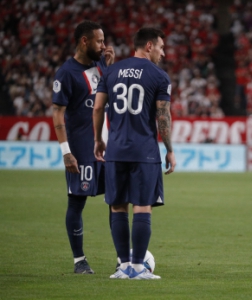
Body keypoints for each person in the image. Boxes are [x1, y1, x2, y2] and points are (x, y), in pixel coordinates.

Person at [93, 27, 176, 280]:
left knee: (118, 208)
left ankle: (122, 267)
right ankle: (139, 268)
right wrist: (170, 149)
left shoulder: (112, 71)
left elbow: (97, 109)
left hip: (116, 150)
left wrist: (98, 139)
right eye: (161, 47)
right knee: (142, 207)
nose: (163, 53)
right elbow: (163, 116)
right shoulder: (159, 77)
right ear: (149, 46)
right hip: (145, 152)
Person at [52, 20, 115, 274]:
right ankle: (79, 260)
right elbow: (58, 115)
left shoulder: (101, 66)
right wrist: (66, 152)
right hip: (81, 150)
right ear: (84, 41)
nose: (104, 45)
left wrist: (109, 69)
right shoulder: (66, 73)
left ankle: (123, 258)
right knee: (76, 204)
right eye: (99, 41)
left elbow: (107, 99)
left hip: (108, 149)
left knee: (117, 201)